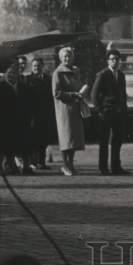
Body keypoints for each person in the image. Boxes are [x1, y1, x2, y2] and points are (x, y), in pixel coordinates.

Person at [91, 50, 131, 175]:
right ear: (108, 61)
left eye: (117, 59)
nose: (115, 61)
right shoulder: (102, 74)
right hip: (106, 113)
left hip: (118, 113)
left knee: (117, 140)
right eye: (112, 59)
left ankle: (116, 167)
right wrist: (99, 111)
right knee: (104, 141)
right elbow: (94, 94)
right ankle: (103, 168)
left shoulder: (121, 75)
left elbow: (123, 94)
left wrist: (124, 109)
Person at [52, 46, 89, 176]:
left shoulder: (75, 71)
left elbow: (78, 85)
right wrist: (73, 94)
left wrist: (82, 91)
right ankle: (65, 165)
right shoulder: (58, 73)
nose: (67, 59)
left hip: (75, 107)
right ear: (61, 58)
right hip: (64, 109)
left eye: (69, 56)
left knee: (74, 138)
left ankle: (71, 164)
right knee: (66, 137)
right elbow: (56, 93)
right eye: (65, 57)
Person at [0, 63, 32, 175]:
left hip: (20, 120)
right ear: (5, 74)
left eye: (14, 73)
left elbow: (28, 103)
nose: (11, 75)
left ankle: (25, 166)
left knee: (22, 144)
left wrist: (29, 117)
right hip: (4, 121)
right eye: (9, 73)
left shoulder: (23, 87)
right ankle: (8, 166)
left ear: (18, 74)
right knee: (6, 145)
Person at [26, 56, 58, 169]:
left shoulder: (48, 79)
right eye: (35, 66)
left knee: (44, 139)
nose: (37, 68)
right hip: (32, 114)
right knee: (33, 139)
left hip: (45, 113)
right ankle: (32, 162)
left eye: (39, 66)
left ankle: (41, 162)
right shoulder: (27, 79)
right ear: (31, 67)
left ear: (42, 66)